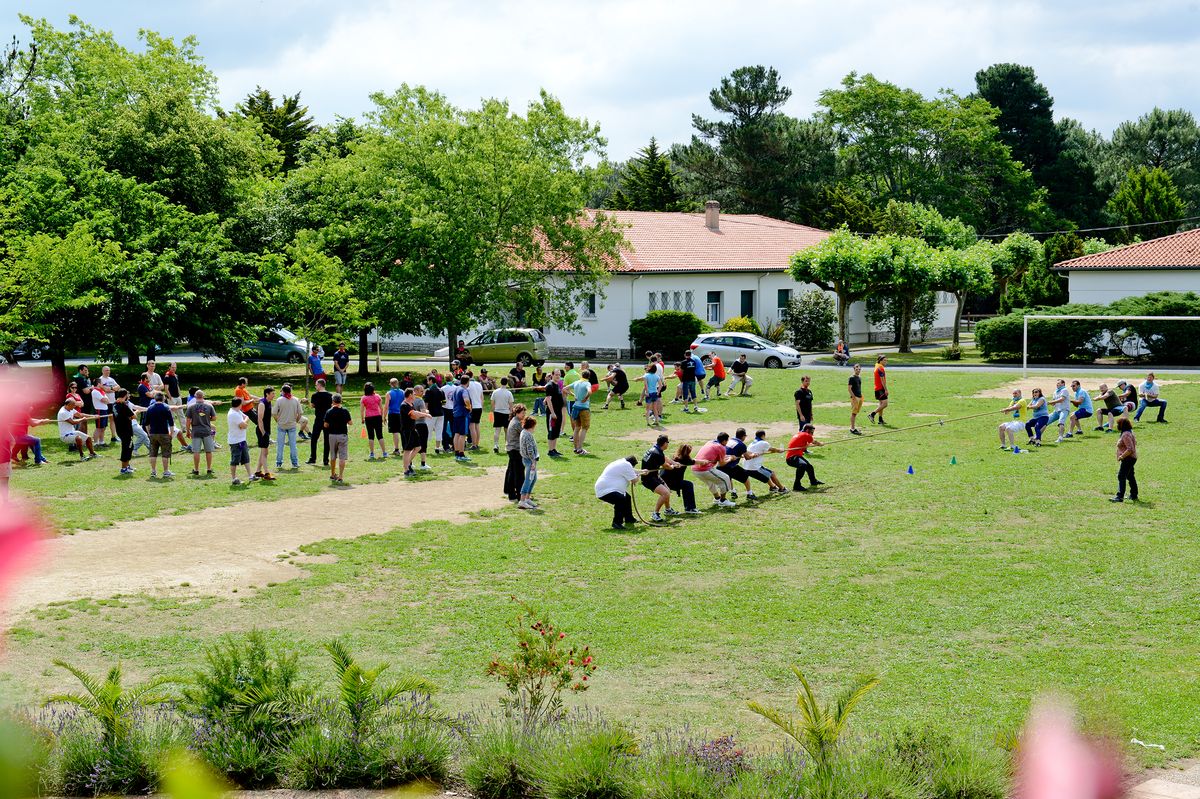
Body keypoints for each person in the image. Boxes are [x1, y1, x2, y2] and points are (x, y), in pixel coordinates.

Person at [640, 434, 682, 522]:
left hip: (654, 476)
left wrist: (674, 462)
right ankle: (655, 514)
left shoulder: (655, 449)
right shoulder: (657, 453)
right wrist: (673, 466)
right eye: (668, 442)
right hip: (648, 479)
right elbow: (667, 466)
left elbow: (664, 458)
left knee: (667, 491)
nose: (668, 444)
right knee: (665, 493)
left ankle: (668, 510)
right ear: (664, 443)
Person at [595, 455, 641, 530]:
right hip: (605, 490)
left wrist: (642, 471)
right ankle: (617, 523)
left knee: (627, 497)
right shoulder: (627, 465)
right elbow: (634, 480)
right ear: (631, 464)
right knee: (621, 499)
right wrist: (638, 475)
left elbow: (632, 471)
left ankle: (629, 518)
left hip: (605, 488)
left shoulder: (622, 463)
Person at [693, 436, 736, 507]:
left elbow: (718, 456)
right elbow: (721, 463)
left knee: (710, 482)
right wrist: (730, 459)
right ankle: (723, 500)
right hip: (705, 470)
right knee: (725, 478)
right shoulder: (721, 447)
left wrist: (729, 456)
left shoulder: (710, 442)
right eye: (727, 441)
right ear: (724, 441)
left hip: (695, 469)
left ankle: (717, 498)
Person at [399, 387, 433, 477]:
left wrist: (417, 414)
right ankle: (406, 470)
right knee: (407, 450)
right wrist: (425, 414)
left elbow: (414, 416)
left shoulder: (411, 404)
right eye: (414, 394)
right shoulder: (404, 405)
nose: (415, 395)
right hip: (407, 431)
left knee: (418, 447)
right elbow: (414, 415)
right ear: (410, 395)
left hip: (413, 429)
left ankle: (408, 464)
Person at [662, 443, 702, 514]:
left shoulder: (675, 457)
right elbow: (695, 461)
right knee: (688, 485)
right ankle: (690, 508)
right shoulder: (684, 459)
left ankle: (669, 509)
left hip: (663, 481)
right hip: (670, 482)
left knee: (686, 485)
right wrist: (705, 462)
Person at [186, 389, 218, 476]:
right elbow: (214, 418)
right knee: (208, 451)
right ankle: (209, 469)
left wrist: (188, 431)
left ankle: (196, 470)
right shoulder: (209, 406)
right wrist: (208, 418)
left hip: (196, 431)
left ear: (195, 397)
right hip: (207, 431)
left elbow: (188, 420)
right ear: (203, 396)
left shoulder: (191, 407)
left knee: (196, 451)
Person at [324, 393, 353, 484]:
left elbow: (325, 425)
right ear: (341, 401)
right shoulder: (345, 411)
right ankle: (340, 476)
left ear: (333, 401)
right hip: (342, 435)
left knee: (333, 456)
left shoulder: (329, 411)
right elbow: (350, 422)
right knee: (342, 457)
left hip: (332, 435)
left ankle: (332, 474)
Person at [144, 392, 175, 478]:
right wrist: (171, 434)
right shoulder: (166, 408)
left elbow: (146, 423)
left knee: (153, 453)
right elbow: (171, 423)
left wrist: (149, 433)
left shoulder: (149, 408)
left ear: (155, 398)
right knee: (165, 453)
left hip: (153, 433)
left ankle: (153, 471)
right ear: (163, 398)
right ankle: (166, 471)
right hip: (164, 433)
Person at [785, 424, 824, 491]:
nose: (812, 434)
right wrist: (820, 444)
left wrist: (812, 444)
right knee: (803, 465)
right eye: (812, 432)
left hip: (795, 456)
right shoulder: (806, 435)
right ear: (807, 430)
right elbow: (814, 441)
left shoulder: (800, 434)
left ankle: (813, 481)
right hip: (792, 458)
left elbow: (805, 444)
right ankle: (796, 485)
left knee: (809, 467)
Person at [716, 430, 754, 500]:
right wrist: (753, 455)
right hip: (729, 465)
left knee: (729, 477)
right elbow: (747, 457)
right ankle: (749, 493)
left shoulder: (730, 440)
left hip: (720, 465)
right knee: (745, 476)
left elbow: (740, 452)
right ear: (743, 436)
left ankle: (733, 492)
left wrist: (749, 453)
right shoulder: (741, 444)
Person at [274, 384, 303, 470]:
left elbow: (274, 413)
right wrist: (296, 420)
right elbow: (300, 413)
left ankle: (279, 463)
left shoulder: (279, 400)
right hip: (292, 425)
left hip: (281, 425)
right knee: (293, 445)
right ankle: (295, 463)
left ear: (283, 391)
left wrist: (277, 420)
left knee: (280, 445)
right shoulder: (295, 400)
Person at [226, 397, 255, 486]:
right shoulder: (233, 414)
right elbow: (244, 426)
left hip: (241, 440)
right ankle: (234, 479)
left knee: (246, 458)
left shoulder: (237, 411)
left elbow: (246, 417)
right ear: (239, 404)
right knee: (235, 460)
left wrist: (245, 420)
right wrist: (245, 421)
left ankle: (250, 475)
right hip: (235, 441)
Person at [502, 404, 528, 501]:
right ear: (516, 413)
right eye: (522, 413)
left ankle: (510, 492)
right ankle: (519, 494)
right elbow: (525, 433)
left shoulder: (514, 421)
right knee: (519, 473)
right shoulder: (517, 423)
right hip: (516, 450)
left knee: (512, 472)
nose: (524, 415)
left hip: (511, 449)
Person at [163, 362, 190, 452]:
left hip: (177, 397)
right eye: (172, 367)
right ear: (169, 367)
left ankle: (184, 428)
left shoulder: (175, 375)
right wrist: (170, 397)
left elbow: (177, 385)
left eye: (175, 367)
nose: (174, 369)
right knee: (172, 414)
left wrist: (179, 394)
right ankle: (173, 428)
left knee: (181, 413)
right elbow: (166, 388)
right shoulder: (167, 376)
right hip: (172, 398)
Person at [1111, 417, 1138, 503]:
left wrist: (1122, 456)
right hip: (1130, 458)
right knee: (1130, 476)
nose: (1117, 426)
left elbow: (1130, 449)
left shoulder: (1126, 434)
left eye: (1119, 424)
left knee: (1121, 476)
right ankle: (1134, 495)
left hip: (1128, 458)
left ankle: (1120, 497)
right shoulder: (1128, 432)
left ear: (1122, 425)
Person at [306, 379, 333, 466]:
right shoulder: (330, 395)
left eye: (316, 385)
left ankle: (312, 458)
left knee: (314, 439)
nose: (315, 386)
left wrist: (307, 402)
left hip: (318, 419)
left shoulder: (315, 395)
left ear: (320, 385)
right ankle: (326, 460)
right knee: (327, 440)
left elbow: (313, 406)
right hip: (328, 420)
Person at [518, 416, 539, 510]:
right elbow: (530, 450)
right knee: (528, 480)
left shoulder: (524, 432)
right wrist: (533, 461)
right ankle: (522, 501)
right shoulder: (527, 435)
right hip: (530, 460)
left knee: (533, 479)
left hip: (528, 460)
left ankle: (527, 499)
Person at [255, 386, 276, 480]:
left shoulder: (269, 402)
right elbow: (259, 419)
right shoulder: (262, 404)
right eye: (272, 394)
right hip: (262, 431)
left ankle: (258, 471)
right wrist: (263, 432)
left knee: (263, 452)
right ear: (267, 394)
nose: (274, 395)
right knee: (265, 452)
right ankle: (267, 473)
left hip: (267, 430)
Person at [569, 374, 593, 455]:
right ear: (588, 377)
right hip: (584, 408)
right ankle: (580, 448)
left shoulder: (576, 382)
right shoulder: (587, 383)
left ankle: (575, 448)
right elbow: (590, 391)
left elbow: (565, 388)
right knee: (584, 428)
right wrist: (586, 398)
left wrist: (573, 395)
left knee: (577, 428)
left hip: (575, 407)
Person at [359, 382, 384, 459]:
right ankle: (384, 452)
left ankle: (372, 453)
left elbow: (362, 410)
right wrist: (382, 417)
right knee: (380, 435)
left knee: (371, 436)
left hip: (369, 417)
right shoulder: (377, 396)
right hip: (377, 416)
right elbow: (381, 408)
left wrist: (362, 418)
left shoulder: (364, 398)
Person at [411, 384, 433, 471]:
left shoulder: (411, 401)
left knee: (413, 444)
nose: (422, 392)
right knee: (423, 444)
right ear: (415, 391)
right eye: (421, 391)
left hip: (413, 425)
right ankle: (423, 464)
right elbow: (423, 414)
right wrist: (427, 412)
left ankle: (410, 462)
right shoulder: (420, 401)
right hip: (421, 424)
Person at [451, 375, 473, 461]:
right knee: (463, 435)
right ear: (468, 382)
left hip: (456, 413)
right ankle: (461, 454)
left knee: (456, 434)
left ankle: (456, 453)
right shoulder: (464, 390)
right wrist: (469, 407)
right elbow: (466, 400)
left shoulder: (456, 389)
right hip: (463, 414)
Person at [544, 371, 565, 457]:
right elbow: (549, 400)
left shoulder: (557, 385)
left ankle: (554, 449)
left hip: (558, 412)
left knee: (556, 430)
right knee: (551, 430)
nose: (558, 376)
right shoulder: (550, 385)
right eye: (556, 375)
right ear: (552, 375)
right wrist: (552, 413)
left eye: (559, 375)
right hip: (552, 413)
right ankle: (550, 450)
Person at [423, 375, 445, 456]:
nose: (427, 382)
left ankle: (424, 447)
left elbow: (426, 403)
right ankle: (437, 447)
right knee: (439, 430)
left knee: (428, 431)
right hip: (440, 413)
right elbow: (444, 402)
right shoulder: (441, 390)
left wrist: (425, 412)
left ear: (431, 381)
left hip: (431, 414)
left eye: (428, 381)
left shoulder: (429, 390)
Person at [491, 377, 514, 453]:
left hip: (497, 412)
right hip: (506, 413)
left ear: (500, 382)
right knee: (506, 430)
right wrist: (511, 413)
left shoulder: (495, 392)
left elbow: (492, 403)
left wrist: (494, 410)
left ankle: (495, 445)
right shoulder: (508, 393)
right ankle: (507, 446)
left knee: (497, 430)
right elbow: (511, 405)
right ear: (506, 383)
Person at [386, 377, 406, 457]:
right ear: (397, 383)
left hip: (393, 414)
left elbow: (386, 406)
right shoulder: (403, 392)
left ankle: (396, 449)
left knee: (395, 432)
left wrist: (383, 416)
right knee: (402, 432)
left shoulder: (389, 393)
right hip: (401, 413)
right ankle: (405, 448)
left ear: (391, 384)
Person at [1047, 378, 1071, 443]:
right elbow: (1054, 402)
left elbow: (1062, 399)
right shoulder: (1055, 392)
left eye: (1058, 383)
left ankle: (1060, 438)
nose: (1057, 384)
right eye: (1056, 383)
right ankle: (1037, 436)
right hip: (1057, 411)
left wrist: (1052, 402)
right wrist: (1050, 403)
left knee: (1061, 422)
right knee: (1046, 420)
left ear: (1063, 384)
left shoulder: (1064, 390)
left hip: (1064, 410)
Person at [467, 371, 485, 449]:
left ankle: (474, 444)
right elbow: (482, 397)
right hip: (479, 406)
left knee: (472, 426)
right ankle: (477, 443)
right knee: (477, 425)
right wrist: (482, 406)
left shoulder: (468, 385)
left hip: (472, 407)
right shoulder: (479, 384)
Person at [869, 355, 888, 425]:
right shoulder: (880, 368)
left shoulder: (877, 366)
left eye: (886, 360)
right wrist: (886, 390)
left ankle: (880, 420)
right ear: (880, 361)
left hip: (877, 388)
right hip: (880, 389)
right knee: (885, 404)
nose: (886, 362)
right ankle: (872, 414)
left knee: (881, 404)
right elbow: (882, 380)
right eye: (884, 360)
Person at [848, 363, 864, 435]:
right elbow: (849, 389)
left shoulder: (859, 377)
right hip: (855, 398)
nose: (858, 370)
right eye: (857, 369)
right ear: (854, 369)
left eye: (859, 369)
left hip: (860, 397)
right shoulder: (851, 378)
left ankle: (853, 427)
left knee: (856, 413)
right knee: (854, 413)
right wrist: (854, 397)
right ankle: (852, 428)